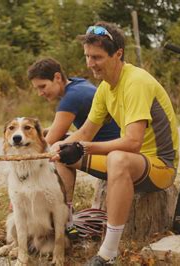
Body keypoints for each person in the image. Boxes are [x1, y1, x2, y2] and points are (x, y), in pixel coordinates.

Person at [50, 21, 179, 265]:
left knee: (117, 158)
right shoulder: (104, 89)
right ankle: (68, 225)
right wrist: (58, 147)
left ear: (118, 54)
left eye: (97, 57)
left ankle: (108, 253)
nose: (90, 64)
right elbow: (86, 132)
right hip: (133, 162)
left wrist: (84, 147)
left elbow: (132, 143)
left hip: (159, 166)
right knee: (64, 154)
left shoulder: (136, 82)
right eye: (87, 56)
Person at [27, 58, 120, 236]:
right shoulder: (78, 85)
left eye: (42, 86)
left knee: (61, 156)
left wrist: (25, 170)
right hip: (108, 144)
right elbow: (56, 131)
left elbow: (49, 143)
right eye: (37, 88)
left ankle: (66, 221)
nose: (40, 93)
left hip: (113, 153)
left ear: (57, 77)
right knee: (62, 146)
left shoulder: (71, 99)